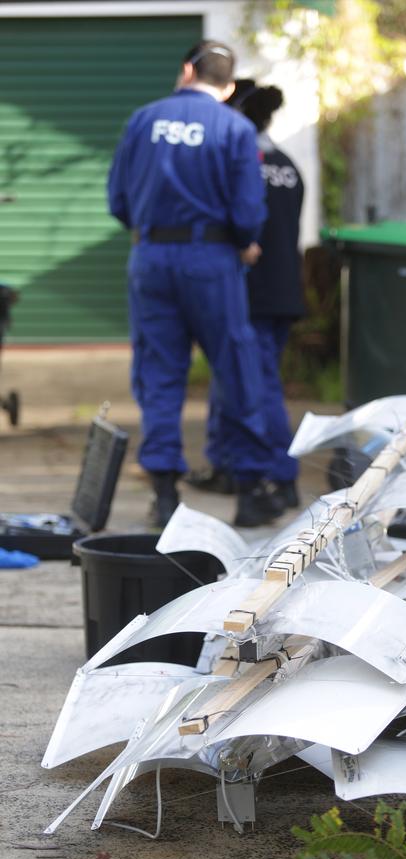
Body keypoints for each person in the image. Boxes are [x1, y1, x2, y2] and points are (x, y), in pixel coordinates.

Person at [107, 41, 284, 528]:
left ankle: (164, 497)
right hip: (212, 259)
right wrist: (243, 239)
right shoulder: (235, 127)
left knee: (160, 373)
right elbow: (249, 210)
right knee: (235, 365)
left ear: (186, 71)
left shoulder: (144, 120)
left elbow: (118, 201)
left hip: (152, 257)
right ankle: (248, 492)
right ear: (228, 87)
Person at [186, 80, 305, 509]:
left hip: (248, 294)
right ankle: (225, 465)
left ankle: (281, 475)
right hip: (284, 290)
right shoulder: (289, 165)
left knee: (259, 388)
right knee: (231, 380)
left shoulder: (237, 164)